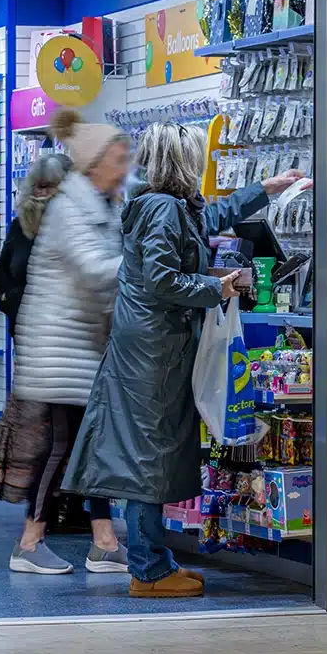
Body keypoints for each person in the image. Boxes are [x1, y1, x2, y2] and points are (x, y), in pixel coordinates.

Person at [66, 123, 303, 599]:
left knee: (150, 455)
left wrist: (265, 189)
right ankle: (148, 571)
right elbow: (161, 279)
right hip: (152, 352)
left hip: (153, 348)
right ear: (184, 161)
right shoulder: (163, 208)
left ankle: (155, 559)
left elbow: (207, 219)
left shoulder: (166, 205)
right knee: (146, 460)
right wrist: (218, 286)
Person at [0, 112, 129, 575]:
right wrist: (145, 261)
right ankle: (29, 542)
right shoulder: (71, 207)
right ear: (95, 163)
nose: (125, 167)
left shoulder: (100, 204)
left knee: (90, 444)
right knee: (59, 446)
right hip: (58, 350)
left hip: (81, 347)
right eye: (119, 158)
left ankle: (104, 541)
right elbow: (93, 269)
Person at [0, 150, 72, 333]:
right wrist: (9, 300)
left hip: (66, 329)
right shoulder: (19, 226)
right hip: (24, 327)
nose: (41, 192)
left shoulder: (76, 226)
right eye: (38, 185)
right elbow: (2, 269)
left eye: (49, 186)